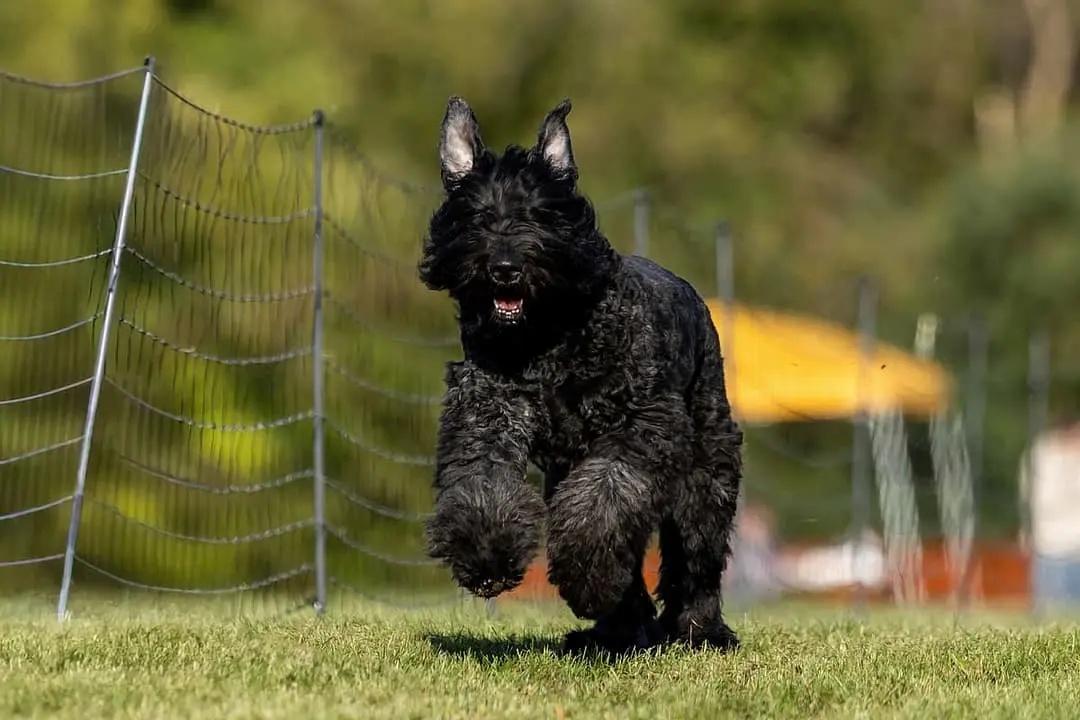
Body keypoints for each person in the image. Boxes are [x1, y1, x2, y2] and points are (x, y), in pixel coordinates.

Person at [1019, 420, 1080, 614]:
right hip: (1053, 550)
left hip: (1063, 548)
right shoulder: (1046, 454)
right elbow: (1042, 500)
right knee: (1052, 614)